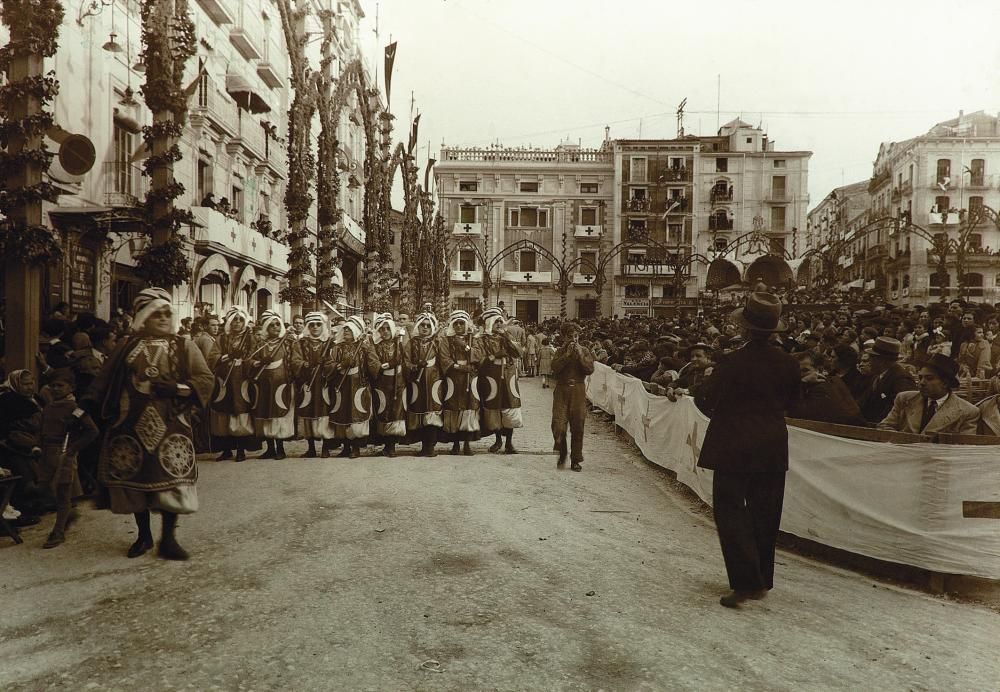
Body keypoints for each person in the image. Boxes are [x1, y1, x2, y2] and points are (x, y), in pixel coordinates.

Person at [87, 288, 214, 560]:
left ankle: (168, 539)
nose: (164, 318)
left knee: (171, 480)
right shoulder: (127, 347)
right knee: (135, 479)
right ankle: (143, 536)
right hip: (129, 424)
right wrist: (87, 404)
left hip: (171, 425)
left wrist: (179, 388)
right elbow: (104, 380)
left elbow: (205, 379)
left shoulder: (184, 345)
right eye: (157, 313)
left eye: (168, 313)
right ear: (144, 317)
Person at [695, 293, 800, 609]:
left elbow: (705, 400)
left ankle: (744, 582)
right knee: (766, 513)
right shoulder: (789, 362)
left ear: (745, 328)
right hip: (771, 444)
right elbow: (793, 403)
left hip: (733, 445)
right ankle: (762, 582)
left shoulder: (732, 361)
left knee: (729, 511)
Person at [36, 368, 99, 548]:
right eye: (52, 386)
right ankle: (67, 514)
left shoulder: (75, 409)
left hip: (63, 453)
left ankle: (58, 531)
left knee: (63, 493)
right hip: (46, 454)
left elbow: (92, 431)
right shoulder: (48, 407)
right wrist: (37, 446)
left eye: (60, 386)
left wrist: (73, 449)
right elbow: (42, 430)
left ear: (71, 388)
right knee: (47, 490)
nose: (56, 389)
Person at [877, 354, 979, 435]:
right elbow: (885, 427)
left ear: (945, 383)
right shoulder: (904, 399)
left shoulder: (967, 412)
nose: (921, 383)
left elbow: (964, 447)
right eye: (920, 377)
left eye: (929, 378)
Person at [210, 306, 258, 462]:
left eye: (241, 320)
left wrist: (244, 360)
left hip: (241, 380)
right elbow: (212, 356)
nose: (238, 322)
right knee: (224, 412)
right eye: (235, 320)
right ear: (230, 322)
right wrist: (227, 356)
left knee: (240, 411)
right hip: (224, 379)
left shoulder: (250, 338)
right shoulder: (222, 338)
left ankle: (241, 450)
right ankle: (226, 450)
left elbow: (254, 356)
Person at [327, 315, 378, 458]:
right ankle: (345, 447)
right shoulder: (337, 348)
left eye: (350, 328)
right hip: (342, 386)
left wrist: (368, 350)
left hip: (358, 387)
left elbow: (374, 367)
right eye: (345, 328)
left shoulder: (364, 347)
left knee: (356, 415)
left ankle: (356, 447)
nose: (347, 330)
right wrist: (340, 365)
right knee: (343, 414)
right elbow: (328, 365)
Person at [251, 310, 295, 460]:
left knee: (280, 414)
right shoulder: (260, 344)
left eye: (278, 324)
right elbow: (249, 361)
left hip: (282, 385)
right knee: (266, 415)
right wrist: (259, 362)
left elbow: (293, 362)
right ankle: (270, 448)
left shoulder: (287, 343)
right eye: (272, 325)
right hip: (264, 386)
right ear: (266, 327)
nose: (275, 327)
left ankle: (281, 448)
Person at [550, 322, 594, 471]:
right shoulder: (560, 351)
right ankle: (562, 452)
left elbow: (589, 369)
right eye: (570, 337)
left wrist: (580, 355)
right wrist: (567, 356)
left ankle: (576, 459)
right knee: (558, 425)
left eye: (576, 336)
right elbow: (554, 368)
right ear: (564, 337)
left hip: (578, 391)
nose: (573, 340)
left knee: (577, 426)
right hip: (562, 390)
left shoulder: (585, 351)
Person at [478, 307, 523, 454]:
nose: (498, 324)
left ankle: (509, 443)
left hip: (508, 376)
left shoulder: (507, 336)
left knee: (509, 408)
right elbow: (480, 360)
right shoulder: (482, 339)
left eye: (500, 321)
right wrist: (496, 355)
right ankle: (498, 440)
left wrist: (507, 337)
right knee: (495, 408)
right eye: (496, 321)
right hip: (492, 377)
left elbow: (518, 353)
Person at [440, 310, 482, 456]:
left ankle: (467, 443)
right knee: (454, 408)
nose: (458, 326)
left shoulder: (473, 339)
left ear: (466, 324)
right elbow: (444, 358)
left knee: (469, 409)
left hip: (469, 378)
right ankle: (456, 443)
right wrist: (458, 367)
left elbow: (478, 355)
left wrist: (464, 346)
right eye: (456, 323)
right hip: (454, 377)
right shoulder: (447, 340)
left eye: (461, 323)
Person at [291, 312, 333, 458]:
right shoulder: (300, 343)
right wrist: (306, 364)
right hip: (307, 383)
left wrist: (326, 366)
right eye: (312, 325)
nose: (315, 327)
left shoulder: (330, 343)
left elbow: (334, 361)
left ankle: (326, 447)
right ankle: (311, 448)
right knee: (307, 411)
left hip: (324, 384)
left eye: (318, 324)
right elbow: (295, 361)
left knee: (325, 413)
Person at [370, 313, 409, 458]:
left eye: (387, 329)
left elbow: (405, 359)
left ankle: (392, 445)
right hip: (382, 383)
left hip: (398, 382)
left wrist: (399, 363)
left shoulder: (399, 344)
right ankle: (386, 443)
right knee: (384, 411)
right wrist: (382, 366)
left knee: (396, 411)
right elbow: (372, 361)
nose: (385, 331)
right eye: (382, 329)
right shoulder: (376, 346)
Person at [407, 312, 445, 457]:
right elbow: (406, 361)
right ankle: (423, 445)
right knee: (420, 410)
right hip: (417, 380)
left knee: (432, 411)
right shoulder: (412, 342)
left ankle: (431, 446)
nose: (425, 328)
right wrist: (415, 366)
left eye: (428, 326)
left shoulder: (437, 342)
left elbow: (444, 360)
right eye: (422, 325)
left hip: (434, 380)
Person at [857, 337, 917, 424]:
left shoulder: (901, 380)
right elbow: (864, 401)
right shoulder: (877, 376)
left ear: (882, 360)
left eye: (872, 358)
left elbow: (898, 413)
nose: (869, 362)